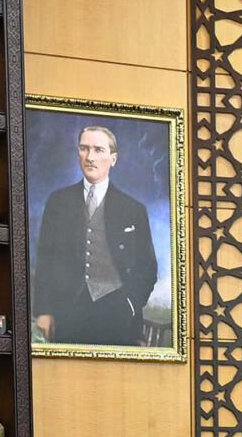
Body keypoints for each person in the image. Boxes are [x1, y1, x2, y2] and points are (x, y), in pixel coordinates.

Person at [32, 122, 158, 348]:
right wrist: (44, 311)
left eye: (98, 150)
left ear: (113, 158)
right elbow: (45, 261)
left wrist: (130, 304)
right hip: (67, 312)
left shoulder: (133, 209)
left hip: (117, 315)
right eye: (84, 148)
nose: (90, 157)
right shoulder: (58, 202)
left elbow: (147, 267)